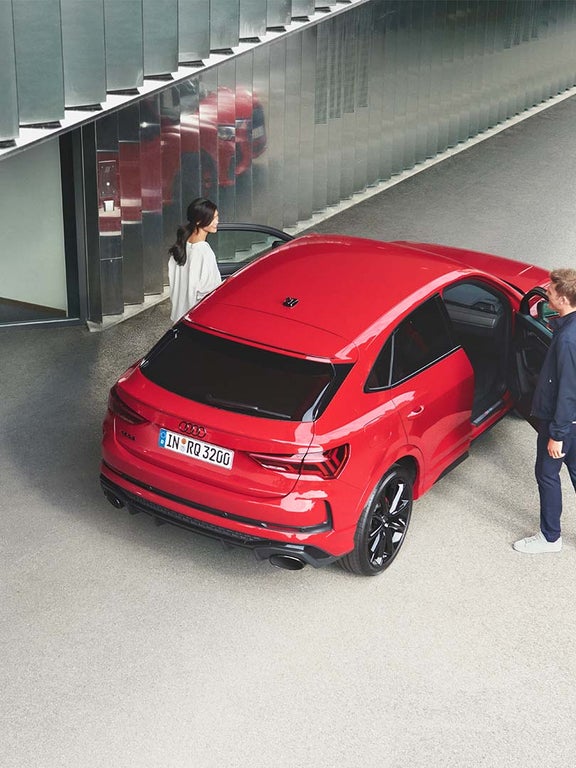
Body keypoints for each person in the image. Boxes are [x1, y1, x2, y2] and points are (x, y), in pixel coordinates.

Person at [514, 268, 576, 553]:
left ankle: (550, 537)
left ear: (563, 299)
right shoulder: (567, 328)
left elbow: (567, 391)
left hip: (562, 422)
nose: (546, 293)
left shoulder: (566, 340)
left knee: (547, 475)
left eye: (550, 291)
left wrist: (558, 434)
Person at [168, 197, 222, 322]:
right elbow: (209, 290)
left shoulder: (181, 245)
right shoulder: (204, 251)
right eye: (212, 219)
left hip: (179, 316)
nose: (217, 222)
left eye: (217, 217)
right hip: (198, 319)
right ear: (198, 221)